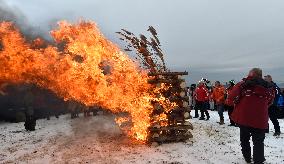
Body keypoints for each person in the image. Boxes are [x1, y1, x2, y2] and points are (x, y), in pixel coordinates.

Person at [228, 68, 275, 164]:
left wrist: (233, 103)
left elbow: (232, 95)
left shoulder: (243, 84)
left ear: (252, 74)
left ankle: (247, 157)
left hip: (245, 117)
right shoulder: (269, 87)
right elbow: (270, 101)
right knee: (258, 141)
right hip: (260, 119)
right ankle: (258, 160)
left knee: (244, 139)